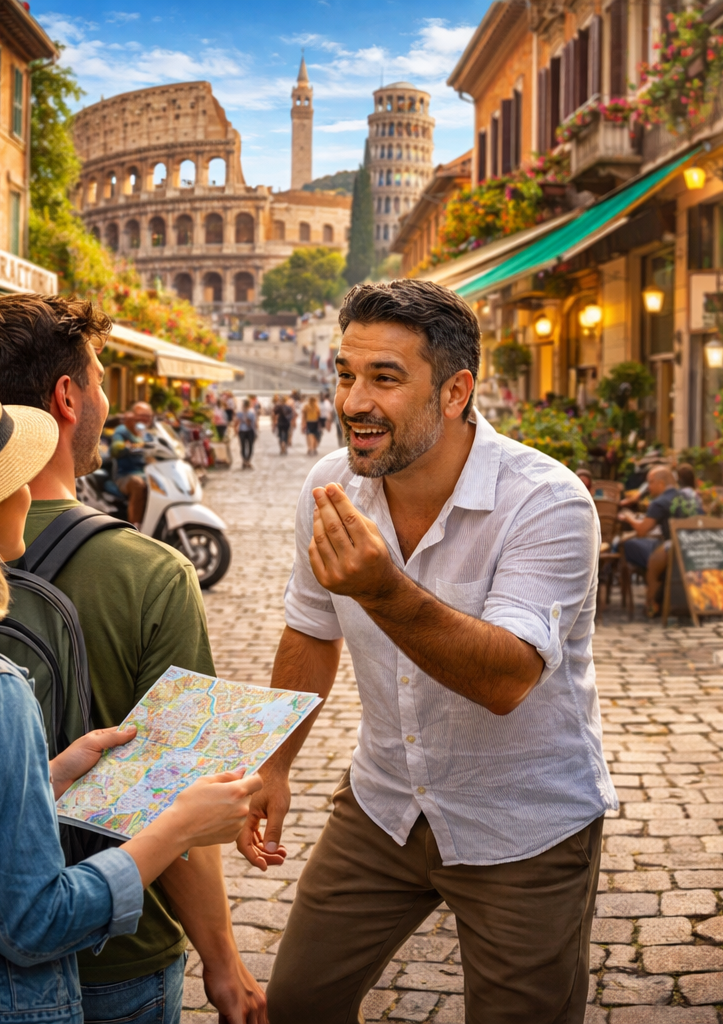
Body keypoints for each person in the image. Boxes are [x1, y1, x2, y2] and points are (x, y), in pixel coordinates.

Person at [243, 280, 612, 1024]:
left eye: (384, 378)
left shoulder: (547, 502)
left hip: (523, 824)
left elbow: (507, 678)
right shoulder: (330, 485)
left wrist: (384, 589)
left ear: (454, 392)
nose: (351, 403)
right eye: (345, 374)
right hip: (382, 806)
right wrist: (273, 763)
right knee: (299, 1006)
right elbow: (312, 627)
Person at [0, 365, 260, 1024]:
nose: (30, 489)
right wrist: (177, 828)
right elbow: (35, 919)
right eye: (14, 476)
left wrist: (46, 778)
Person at [619, 465, 698, 617]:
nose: (648, 488)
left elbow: (642, 530)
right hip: (696, 547)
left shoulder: (660, 502)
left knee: (629, 546)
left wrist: (628, 516)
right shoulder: (689, 498)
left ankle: (652, 604)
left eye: (650, 483)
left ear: (661, 483)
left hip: (673, 549)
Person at [109, 401, 154, 528]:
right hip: (125, 475)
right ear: (132, 415)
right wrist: (127, 446)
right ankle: (135, 527)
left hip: (146, 473)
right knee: (138, 484)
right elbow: (115, 448)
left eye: (148, 416)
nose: (145, 419)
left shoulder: (147, 434)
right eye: (141, 415)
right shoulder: (122, 430)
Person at [235, 397, 259, 469]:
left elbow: (236, 422)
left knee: (243, 446)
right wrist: (256, 430)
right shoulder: (251, 412)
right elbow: (255, 424)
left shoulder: (239, 413)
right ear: (249, 405)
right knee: (250, 446)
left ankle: (244, 461)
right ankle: (248, 461)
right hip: (250, 431)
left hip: (242, 431)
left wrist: (235, 430)